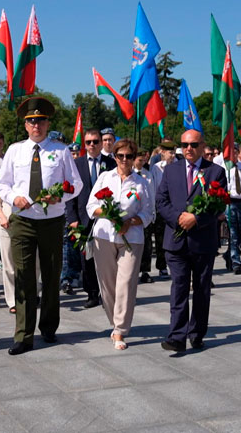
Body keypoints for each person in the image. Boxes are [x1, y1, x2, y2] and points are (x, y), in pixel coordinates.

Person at [0, 97, 83, 355]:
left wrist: (61, 196)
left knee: (52, 275)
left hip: (52, 221)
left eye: (41, 121)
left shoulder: (61, 150)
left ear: (47, 123)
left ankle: (49, 327)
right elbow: (1, 185)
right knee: (24, 278)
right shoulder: (15, 150)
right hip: (22, 220)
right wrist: (13, 198)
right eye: (32, 122)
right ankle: (23, 335)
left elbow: (75, 184)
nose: (37, 126)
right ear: (25, 125)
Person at [156, 130, 227, 352]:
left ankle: (196, 333)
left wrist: (196, 218)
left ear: (202, 145)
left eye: (193, 144)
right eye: (184, 144)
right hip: (175, 241)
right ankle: (177, 336)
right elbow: (161, 200)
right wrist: (179, 219)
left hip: (203, 240)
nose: (188, 148)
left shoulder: (215, 171)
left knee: (201, 288)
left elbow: (219, 204)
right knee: (179, 288)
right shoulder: (171, 170)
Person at [86, 139, 153, 350]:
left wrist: (131, 221)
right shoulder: (105, 178)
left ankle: (120, 330)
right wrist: (110, 215)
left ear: (135, 158)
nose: (125, 160)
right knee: (107, 285)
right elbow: (91, 206)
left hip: (131, 239)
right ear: (114, 156)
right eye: (120, 155)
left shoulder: (142, 182)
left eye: (129, 156)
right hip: (104, 235)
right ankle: (115, 320)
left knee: (126, 283)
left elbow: (149, 213)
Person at [65, 128, 116, 307]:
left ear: (101, 143)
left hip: (107, 218)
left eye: (96, 141)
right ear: (84, 145)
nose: (92, 145)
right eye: (89, 142)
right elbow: (70, 193)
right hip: (83, 218)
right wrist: (72, 217)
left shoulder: (111, 163)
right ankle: (92, 293)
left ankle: (109, 293)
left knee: (108, 258)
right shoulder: (76, 164)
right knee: (86, 259)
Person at [223, 144, 241, 274]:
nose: (234, 155)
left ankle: (228, 254)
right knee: (233, 234)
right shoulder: (225, 168)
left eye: (236, 152)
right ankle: (236, 262)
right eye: (231, 153)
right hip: (231, 203)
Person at [151, 139, 176, 277]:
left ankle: (174, 264)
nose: (172, 155)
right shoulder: (157, 168)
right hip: (162, 206)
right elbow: (155, 188)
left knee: (175, 237)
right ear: (162, 153)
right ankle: (162, 266)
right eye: (170, 153)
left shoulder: (179, 165)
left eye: (173, 152)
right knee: (160, 238)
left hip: (175, 206)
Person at [133, 150, 156, 283]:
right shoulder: (131, 174)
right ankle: (134, 269)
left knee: (146, 244)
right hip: (133, 213)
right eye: (139, 160)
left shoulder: (148, 175)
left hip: (145, 213)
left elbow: (151, 194)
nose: (142, 163)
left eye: (143, 160)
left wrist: (153, 212)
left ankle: (145, 270)